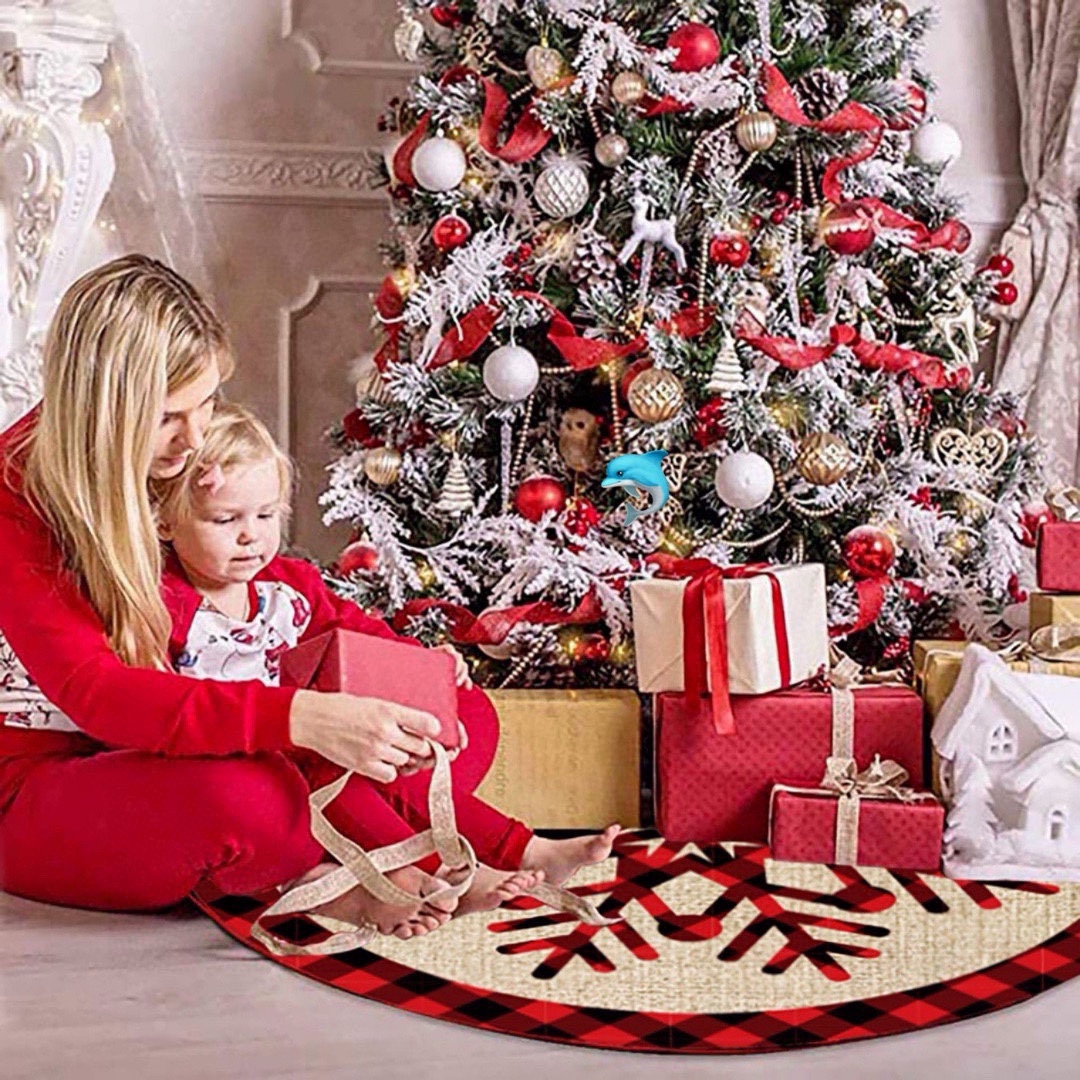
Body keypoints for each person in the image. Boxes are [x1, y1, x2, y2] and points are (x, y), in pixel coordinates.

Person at [0, 255, 468, 939]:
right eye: (169, 417)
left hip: (163, 749)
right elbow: (100, 695)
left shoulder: (166, 458)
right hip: (40, 786)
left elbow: (268, 594)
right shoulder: (15, 496)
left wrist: (398, 679)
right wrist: (302, 719)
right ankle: (306, 869)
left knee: (458, 719)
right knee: (253, 797)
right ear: (104, 410)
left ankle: (311, 861)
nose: (194, 439)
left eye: (207, 404)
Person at [152, 402, 620, 925]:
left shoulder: (289, 583)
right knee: (343, 774)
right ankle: (443, 871)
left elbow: (360, 631)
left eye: (265, 516)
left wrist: (420, 667)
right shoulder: (165, 606)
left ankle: (525, 849)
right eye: (225, 519)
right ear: (165, 520)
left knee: (407, 750)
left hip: (332, 743)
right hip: (262, 772)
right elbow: (167, 709)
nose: (251, 536)